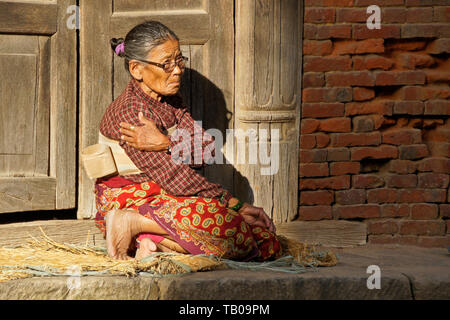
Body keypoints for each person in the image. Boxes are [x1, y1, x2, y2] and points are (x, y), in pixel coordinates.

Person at [95, 20, 281, 261]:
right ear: (136, 69)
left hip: (170, 196)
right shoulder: (132, 115)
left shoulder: (170, 101)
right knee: (232, 231)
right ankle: (130, 222)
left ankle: (152, 243)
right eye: (166, 64)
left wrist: (166, 142)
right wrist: (233, 204)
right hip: (133, 199)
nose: (177, 70)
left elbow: (206, 149)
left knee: (266, 240)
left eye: (179, 60)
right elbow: (173, 176)